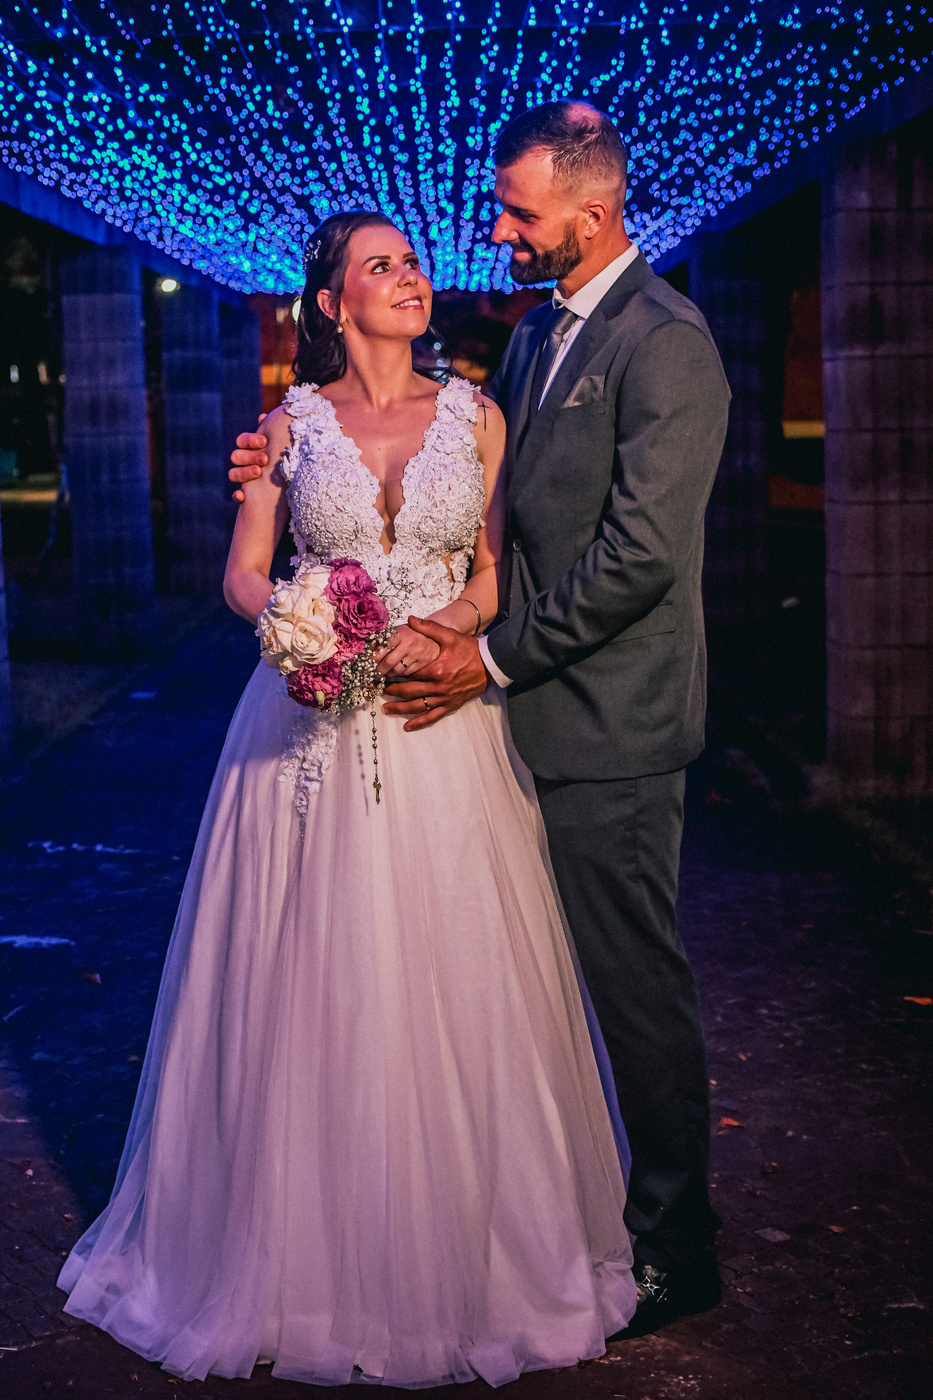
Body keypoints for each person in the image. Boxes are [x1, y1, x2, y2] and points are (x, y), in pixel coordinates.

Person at [57, 209, 638, 1386]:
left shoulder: (477, 416)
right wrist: (290, 618)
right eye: (383, 266)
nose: (410, 277)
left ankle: (475, 1258)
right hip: (306, 725)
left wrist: (447, 629)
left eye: (412, 261)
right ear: (333, 302)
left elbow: (494, 569)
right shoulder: (288, 427)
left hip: (439, 715)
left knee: (452, 963)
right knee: (307, 968)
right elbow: (242, 569)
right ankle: (297, 1264)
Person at [231, 101, 731, 1337]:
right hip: (491, 714)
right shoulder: (534, 340)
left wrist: (484, 651)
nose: (495, 232)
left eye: (517, 212)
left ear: (589, 213)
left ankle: (674, 1248)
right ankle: (442, 1223)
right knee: (484, 980)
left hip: (601, 719)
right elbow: (494, 512)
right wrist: (278, 496)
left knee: (625, 984)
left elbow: (637, 556)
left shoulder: (666, 342)